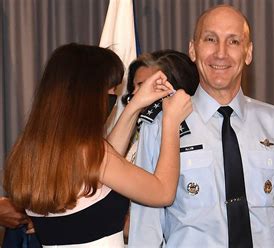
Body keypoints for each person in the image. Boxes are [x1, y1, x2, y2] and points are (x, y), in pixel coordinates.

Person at [129, 4, 274, 247]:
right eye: (210, 39)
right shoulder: (161, 127)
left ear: (248, 53)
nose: (220, 53)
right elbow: (146, 229)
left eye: (233, 42)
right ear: (193, 49)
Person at [3, 43, 192, 246]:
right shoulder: (91, 154)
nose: (114, 97)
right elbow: (163, 192)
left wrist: (135, 106)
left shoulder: (33, 150)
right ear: (88, 95)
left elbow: (102, 169)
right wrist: (171, 122)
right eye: (111, 90)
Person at [120, 50, 199, 240]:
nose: (138, 94)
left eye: (149, 84)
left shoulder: (192, 136)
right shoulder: (130, 136)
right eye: (136, 86)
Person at [121, 50, 199, 163]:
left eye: (143, 86)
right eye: (134, 87)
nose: (134, 94)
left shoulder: (197, 129)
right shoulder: (133, 131)